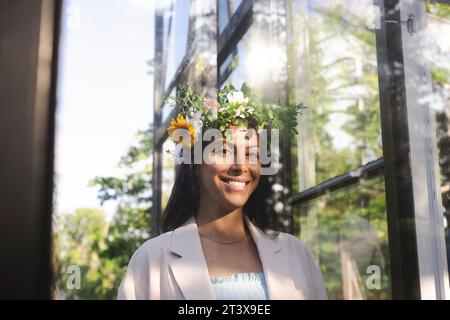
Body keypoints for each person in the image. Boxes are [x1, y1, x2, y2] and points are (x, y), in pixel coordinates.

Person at [118, 84, 327, 300]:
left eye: (251, 154)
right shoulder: (151, 259)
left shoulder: (296, 254)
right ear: (195, 165)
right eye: (224, 150)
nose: (240, 166)